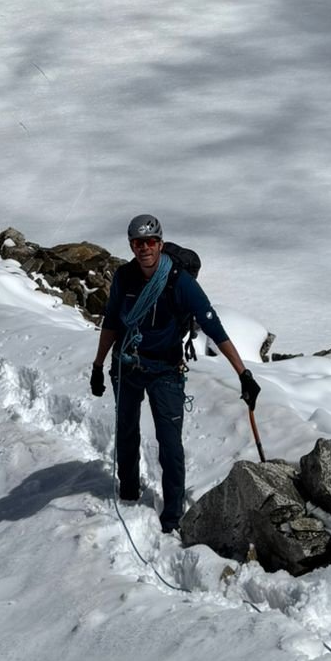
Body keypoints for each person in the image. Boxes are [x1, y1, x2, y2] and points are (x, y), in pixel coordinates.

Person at [89, 213, 260, 533]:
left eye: (150, 242)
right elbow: (111, 321)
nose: (144, 248)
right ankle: (128, 493)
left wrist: (243, 374)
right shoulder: (124, 277)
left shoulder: (180, 282)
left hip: (166, 370)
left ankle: (172, 518)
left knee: (170, 444)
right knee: (126, 431)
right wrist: (98, 366)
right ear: (131, 246)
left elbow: (213, 327)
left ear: (160, 243)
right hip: (127, 364)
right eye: (138, 243)